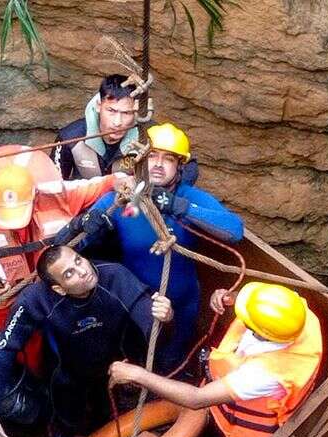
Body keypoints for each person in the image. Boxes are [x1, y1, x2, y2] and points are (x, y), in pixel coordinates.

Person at [107, 282, 323, 437]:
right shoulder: (297, 314)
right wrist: (231, 297)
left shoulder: (264, 374)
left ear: (260, 332)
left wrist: (138, 375)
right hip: (225, 410)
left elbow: (196, 399)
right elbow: (266, 302)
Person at [0, 146, 130, 373]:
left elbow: (100, 184)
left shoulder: (58, 196)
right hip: (9, 312)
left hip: (58, 301)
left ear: (34, 196)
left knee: (69, 356)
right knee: (24, 365)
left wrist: (120, 180)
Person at [77, 122, 243, 372]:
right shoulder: (121, 198)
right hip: (135, 302)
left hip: (182, 302)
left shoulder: (189, 197)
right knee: (135, 356)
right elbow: (81, 239)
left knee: (170, 363)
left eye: (168, 159)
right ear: (140, 160)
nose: (157, 164)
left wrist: (178, 206)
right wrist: (89, 229)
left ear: (179, 167)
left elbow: (234, 231)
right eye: (152, 155)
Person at [0, 245, 173, 437]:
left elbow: (152, 331)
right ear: (59, 288)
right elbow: (6, 348)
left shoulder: (114, 276)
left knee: (112, 403)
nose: (83, 271)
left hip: (118, 359)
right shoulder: (35, 299)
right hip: (71, 367)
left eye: (78, 260)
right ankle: (67, 434)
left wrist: (165, 318)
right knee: (67, 406)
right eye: (69, 274)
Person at [52, 75, 198, 184]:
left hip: (129, 208)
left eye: (127, 113)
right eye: (111, 110)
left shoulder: (149, 134)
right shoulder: (70, 138)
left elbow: (188, 165)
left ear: (136, 112)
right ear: (98, 105)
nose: (118, 122)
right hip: (83, 208)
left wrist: (160, 193)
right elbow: (53, 185)